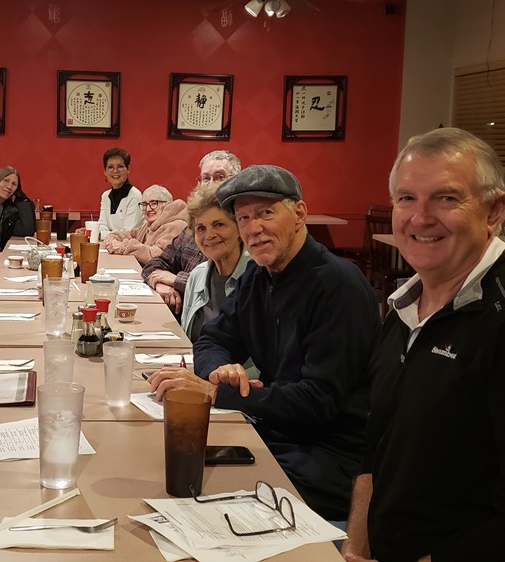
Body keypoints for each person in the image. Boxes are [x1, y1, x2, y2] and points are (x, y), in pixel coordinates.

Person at [342, 128, 505, 562]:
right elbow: (376, 451)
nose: (420, 218)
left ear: (494, 210)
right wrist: (354, 548)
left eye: (446, 198)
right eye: (406, 198)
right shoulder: (401, 311)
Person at [148, 165, 379, 521]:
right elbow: (211, 339)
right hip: (274, 431)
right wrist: (221, 371)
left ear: (299, 213)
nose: (253, 228)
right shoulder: (258, 276)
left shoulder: (338, 286)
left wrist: (216, 393)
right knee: (164, 463)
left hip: (328, 458)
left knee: (194, 500)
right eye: (243, 218)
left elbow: (318, 402)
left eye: (265, 214)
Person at [143, 150, 240, 317]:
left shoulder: (242, 227)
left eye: (219, 177)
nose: (211, 184)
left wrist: (176, 280)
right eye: (206, 178)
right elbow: (155, 264)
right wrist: (160, 284)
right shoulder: (191, 229)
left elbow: (226, 287)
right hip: (182, 318)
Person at [179, 181, 252, 342]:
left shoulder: (258, 277)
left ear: (239, 228)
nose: (209, 235)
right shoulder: (196, 276)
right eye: (201, 228)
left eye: (218, 225)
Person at [103, 184, 188, 265]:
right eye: (144, 204)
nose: (147, 209)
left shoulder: (176, 225)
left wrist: (124, 246)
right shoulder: (148, 225)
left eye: (153, 203)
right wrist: (113, 238)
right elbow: (130, 234)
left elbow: (159, 256)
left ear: (167, 204)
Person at [96, 147, 143, 237]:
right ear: (105, 171)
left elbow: (128, 232)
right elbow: (102, 226)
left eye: (120, 166)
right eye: (110, 167)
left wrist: (100, 234)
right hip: (108, 243)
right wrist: (95, 232)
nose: (115, 171)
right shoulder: (105, 196)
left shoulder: (135, 196)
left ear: (128, 169)